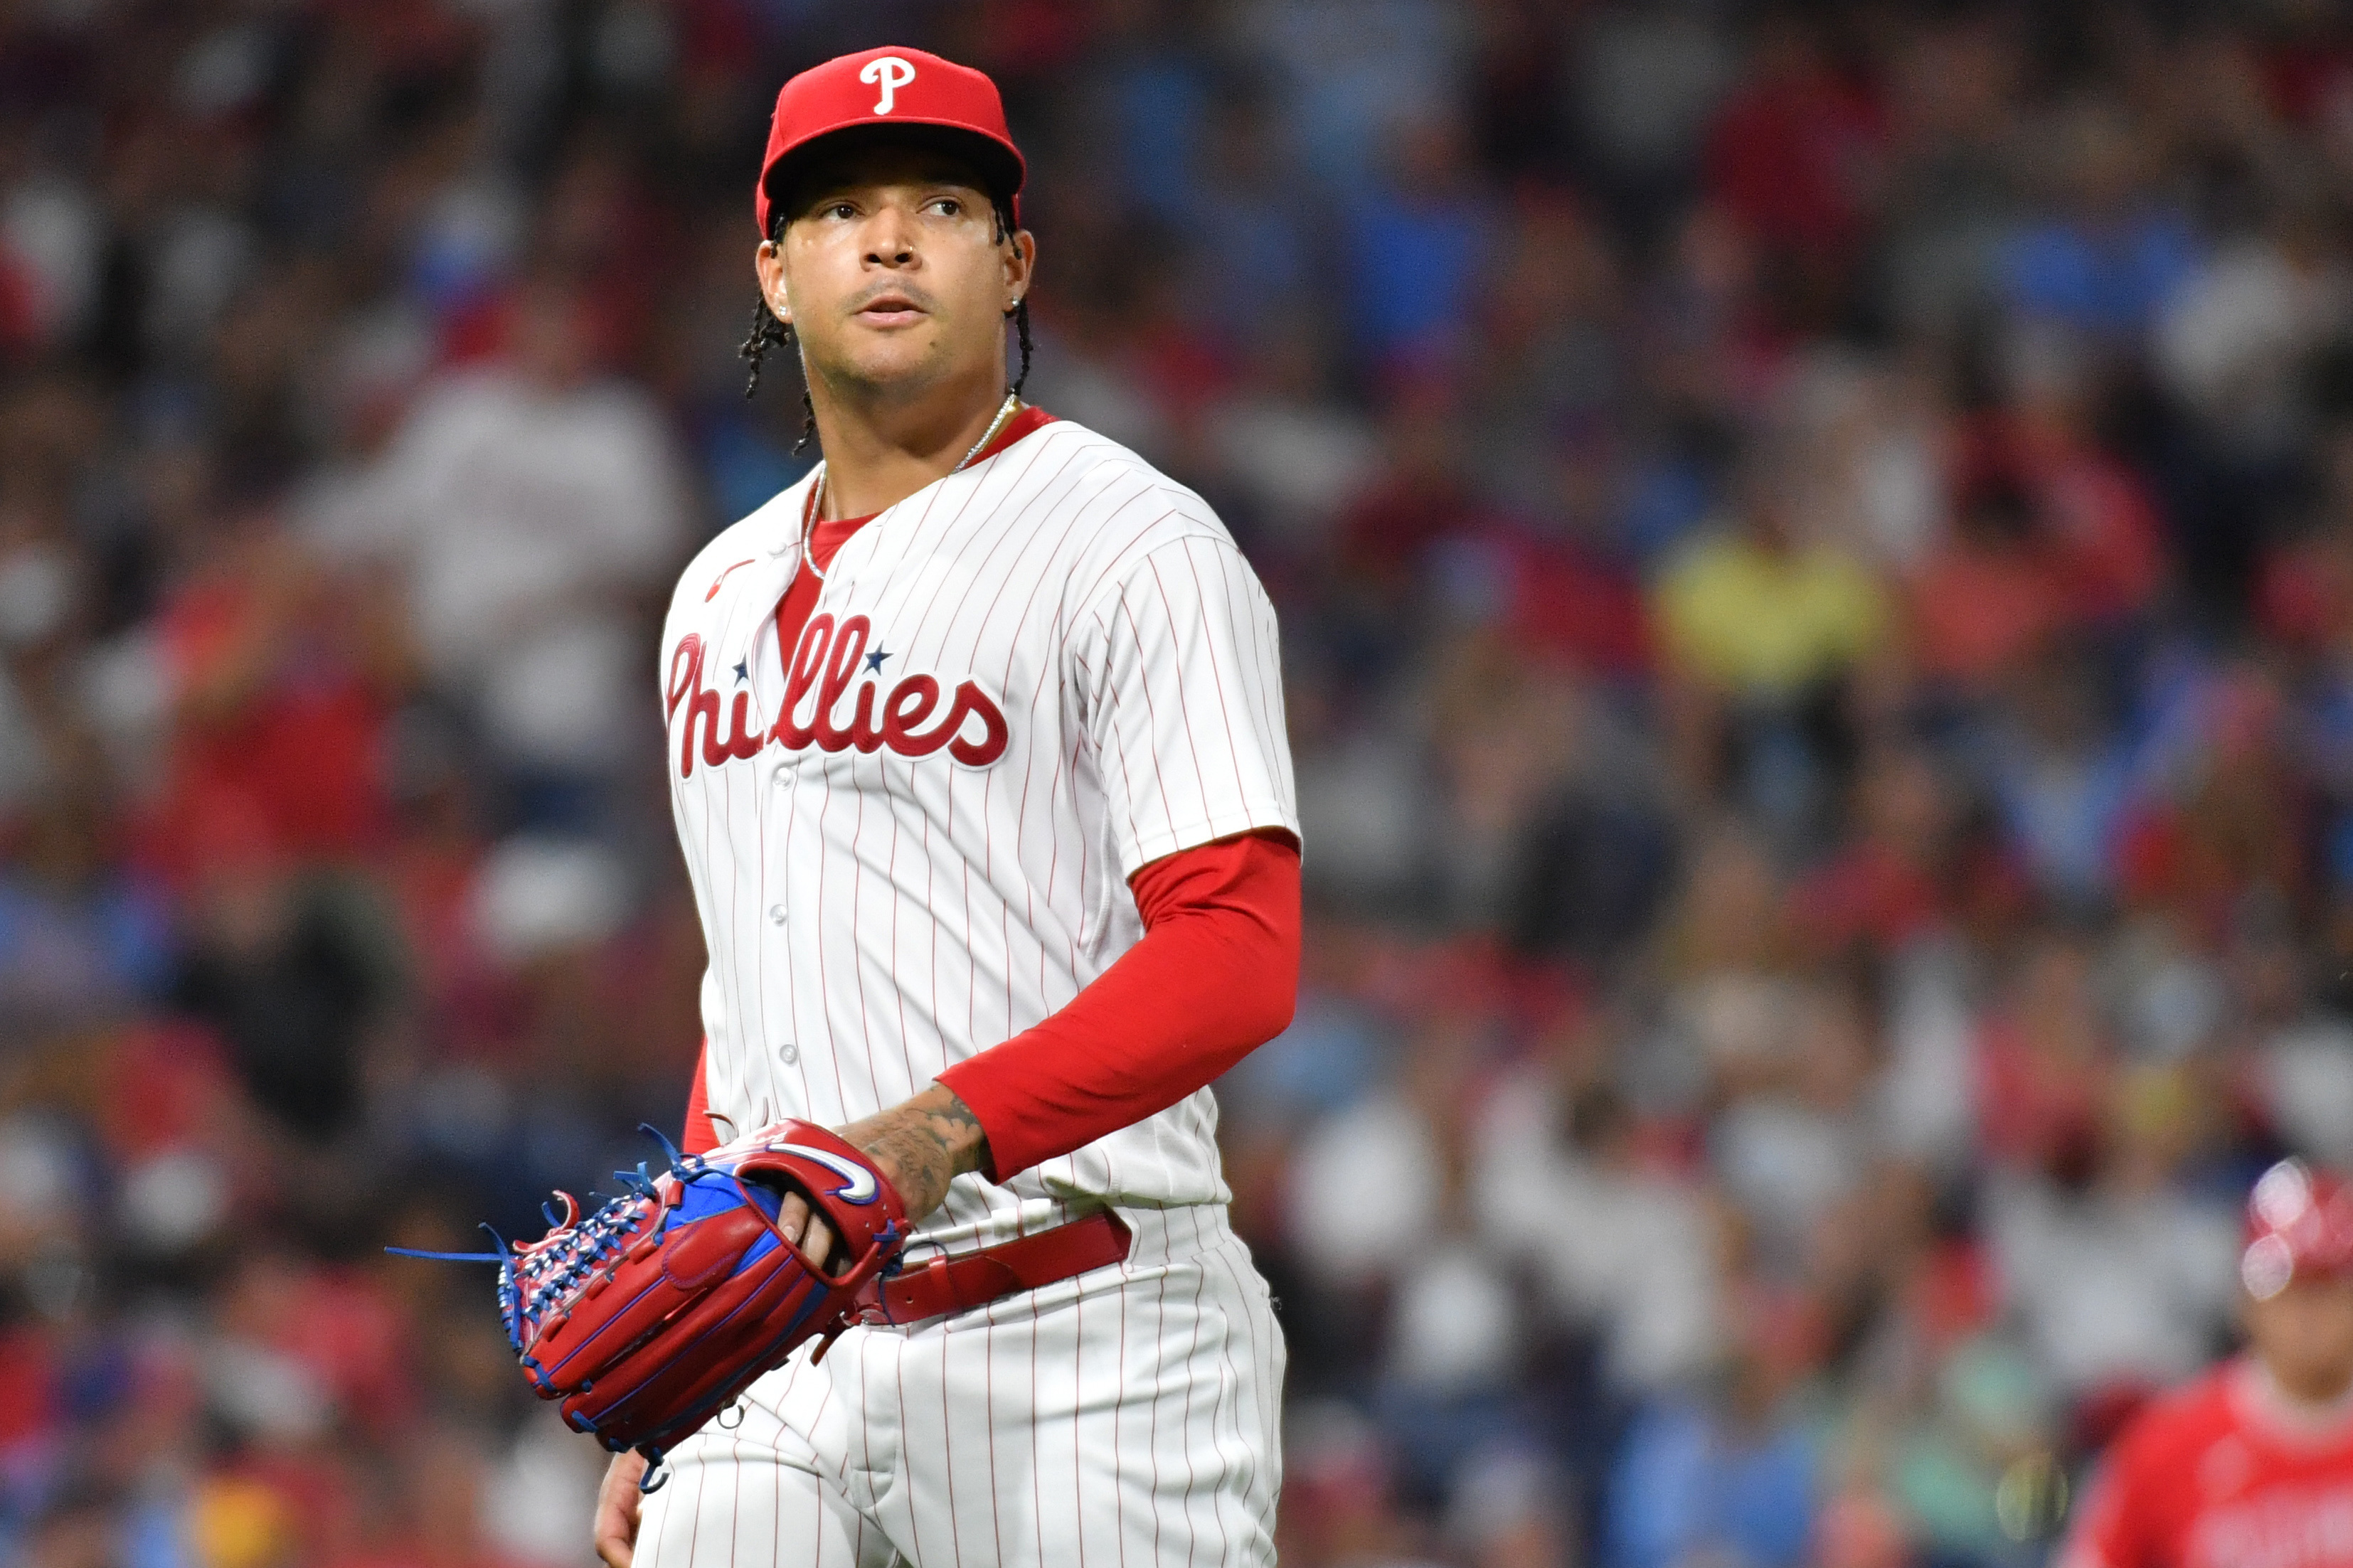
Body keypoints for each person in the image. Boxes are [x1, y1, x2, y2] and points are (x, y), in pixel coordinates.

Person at [595, 46, 1303, 1568]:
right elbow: (758, 990)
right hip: (783, 1359)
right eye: (843, 209)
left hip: (1088, 1338)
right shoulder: (711, 592)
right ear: (775, 274)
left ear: (1014, 264)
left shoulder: (1135, 544)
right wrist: (685, 1366)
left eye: (941, 203)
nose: (894, 237)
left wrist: (934, 1131)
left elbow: (1238, 948)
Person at [2057, 1158, 2353, 1568]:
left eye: (2326, 1286)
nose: (2306, 1314)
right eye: (2286, 1287)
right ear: (2246, 1301)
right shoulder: (2167, 1448)